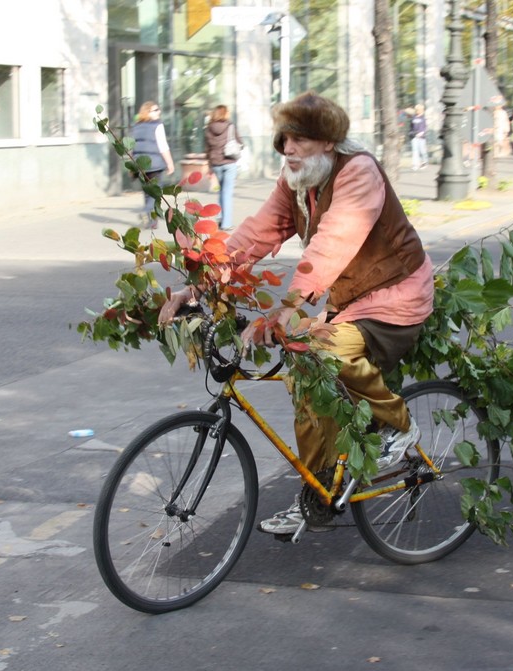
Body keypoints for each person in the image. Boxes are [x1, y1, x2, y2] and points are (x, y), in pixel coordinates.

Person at [159, 92, 434, 535]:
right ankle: (317, 497)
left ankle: (399, 425)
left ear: (328, 141)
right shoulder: (298, 180)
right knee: (305, 378)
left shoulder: (358, 171)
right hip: (348, 299)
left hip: (396, 297)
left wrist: (290, 308)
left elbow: (333, 243)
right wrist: (196, 287)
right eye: (283, 138)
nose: (288, 148)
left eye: (300, 139)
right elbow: (254, 235)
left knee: (322, 351)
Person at [130, 101, 175, 229]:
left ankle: (151, 221)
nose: (158, 112)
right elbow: (163, 146)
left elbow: (131, 147)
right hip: (154, 165)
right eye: (155, 110)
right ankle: (146, 212)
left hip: (139, 165)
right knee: (155, 193)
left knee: (147, 192)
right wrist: (170, 163)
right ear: (147, 112)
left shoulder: (136, 126)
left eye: (158, 109)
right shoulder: (157, 125)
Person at [204, 104, 244, 230]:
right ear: (225, 113)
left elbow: (207, 149)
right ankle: (226, 223)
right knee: (227, 192)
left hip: (216, 163)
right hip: (229, 162)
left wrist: (210, 167)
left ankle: (220, 217)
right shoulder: (230, 126)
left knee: (221, 191)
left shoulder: (208, 128)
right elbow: (240, 142)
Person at [408, 104, 428, 170]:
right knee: (415, 151)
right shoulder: (413, 118)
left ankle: (424, 162)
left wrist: (422, 133)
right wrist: (412, 133)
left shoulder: (423, 118)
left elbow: (425, 127)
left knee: (422, 150)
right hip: (414, 136)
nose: (418, 111)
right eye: (417, 110)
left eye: (419, 110)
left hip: (421, 137)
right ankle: (415, 165)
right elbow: (411, 127)